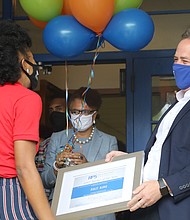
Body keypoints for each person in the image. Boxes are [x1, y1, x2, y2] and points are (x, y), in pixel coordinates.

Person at [105, 29, 190, 220]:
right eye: (175, 59)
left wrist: (163, 186)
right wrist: (132, 161)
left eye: (185, 62)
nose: (177, 66)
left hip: (177, 210)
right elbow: (164, 155)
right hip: (147, 207)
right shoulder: (176, 105)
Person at [0, 20, 55, 219]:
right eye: (31, 57)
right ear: (24, 63)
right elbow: (23, 167)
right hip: (8, 190)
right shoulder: (27, 99)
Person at [41, 87, 118, 220]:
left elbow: (113, 181)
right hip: (62, 210)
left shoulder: (108, 141)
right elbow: (44, 180)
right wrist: (56, 168)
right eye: (75, 111)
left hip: (97, 212)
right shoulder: (57, 138)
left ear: (94, 114)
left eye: (84, 112)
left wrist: (87, 167)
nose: (79, 116)